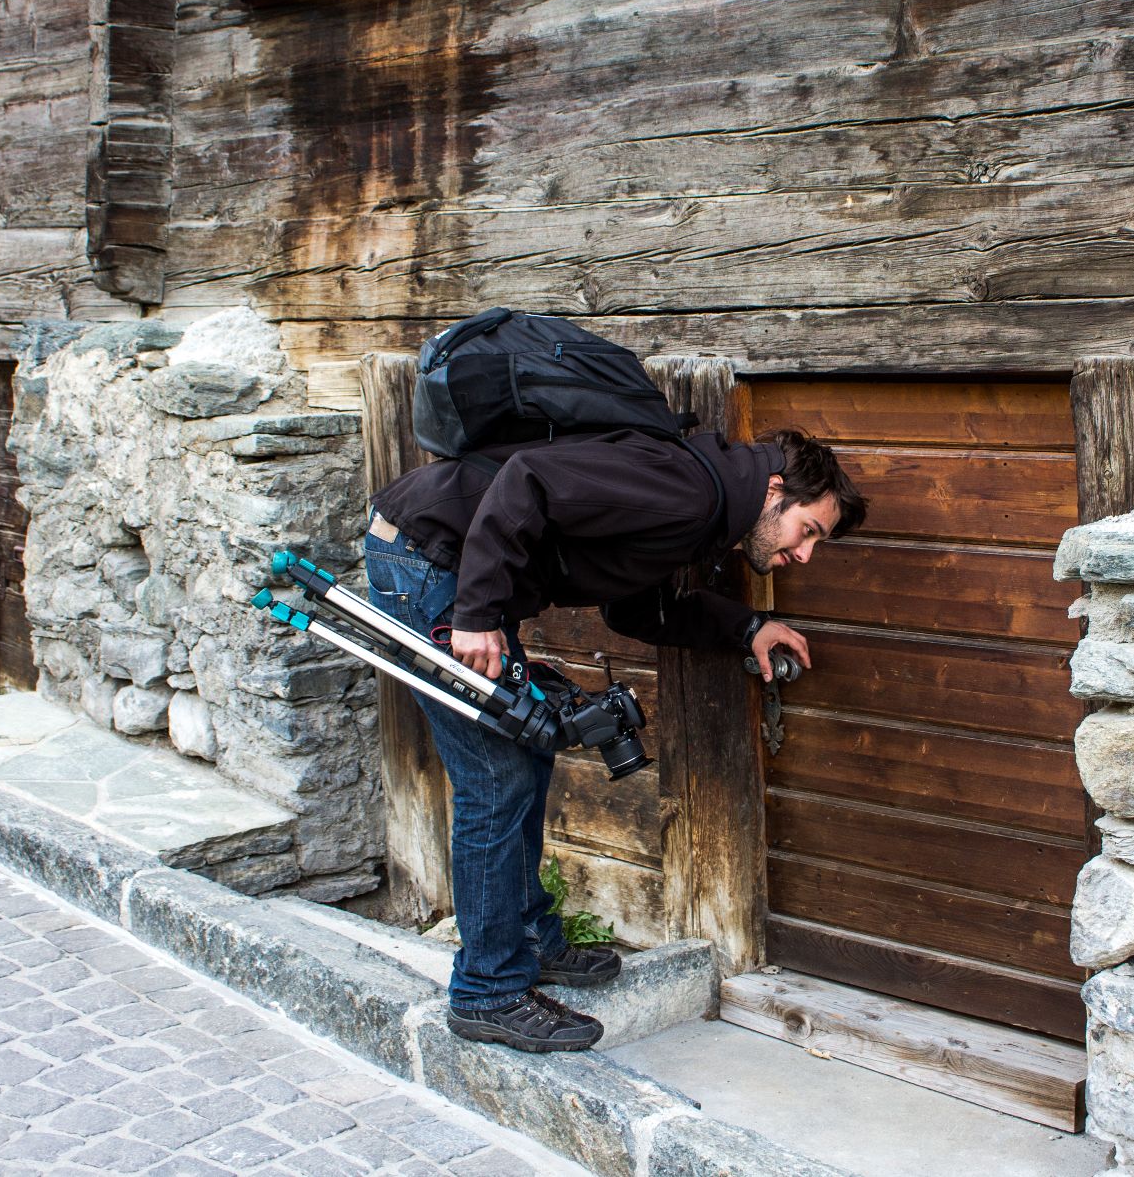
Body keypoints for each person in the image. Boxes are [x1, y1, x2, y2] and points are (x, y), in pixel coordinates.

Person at [365, 426, 867, 1052]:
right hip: (426, 559)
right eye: (809, 531)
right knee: (495, 777)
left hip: (445, 561)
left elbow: (634, 610)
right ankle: (488, 991)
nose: (805, 554)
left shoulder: (700, 504)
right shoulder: (686, 490)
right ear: (774, 491)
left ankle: (526, 941)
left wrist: (747, 628)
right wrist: (474, 615)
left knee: (526, 751)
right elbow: (527, 478)